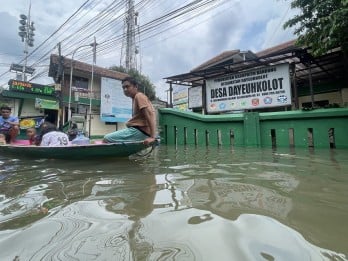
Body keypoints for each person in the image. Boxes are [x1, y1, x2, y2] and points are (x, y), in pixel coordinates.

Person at [103, 77, 157, 145]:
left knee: (106, 138)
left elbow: (149, 115)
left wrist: (152, 137)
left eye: (127, 86)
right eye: (123, 88)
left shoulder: (139, 96)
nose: (125, 89)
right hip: (139, 131)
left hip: (140, 131)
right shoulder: (135, 98)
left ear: (136, 86)